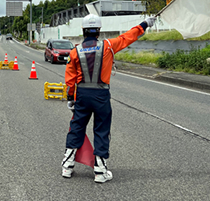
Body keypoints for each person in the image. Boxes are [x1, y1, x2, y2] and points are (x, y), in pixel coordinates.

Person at [61, 14, 156, 183]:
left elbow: (70, 78)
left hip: (82, 94)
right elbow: (128, 37)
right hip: (101, 95)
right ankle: (100, 170)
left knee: (77, 127)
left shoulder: (75, 51)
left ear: (83, 30)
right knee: (101, 129)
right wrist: (144, 24)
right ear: (98, 30)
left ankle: (67, 166)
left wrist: (70, 97)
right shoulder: (108, 46)